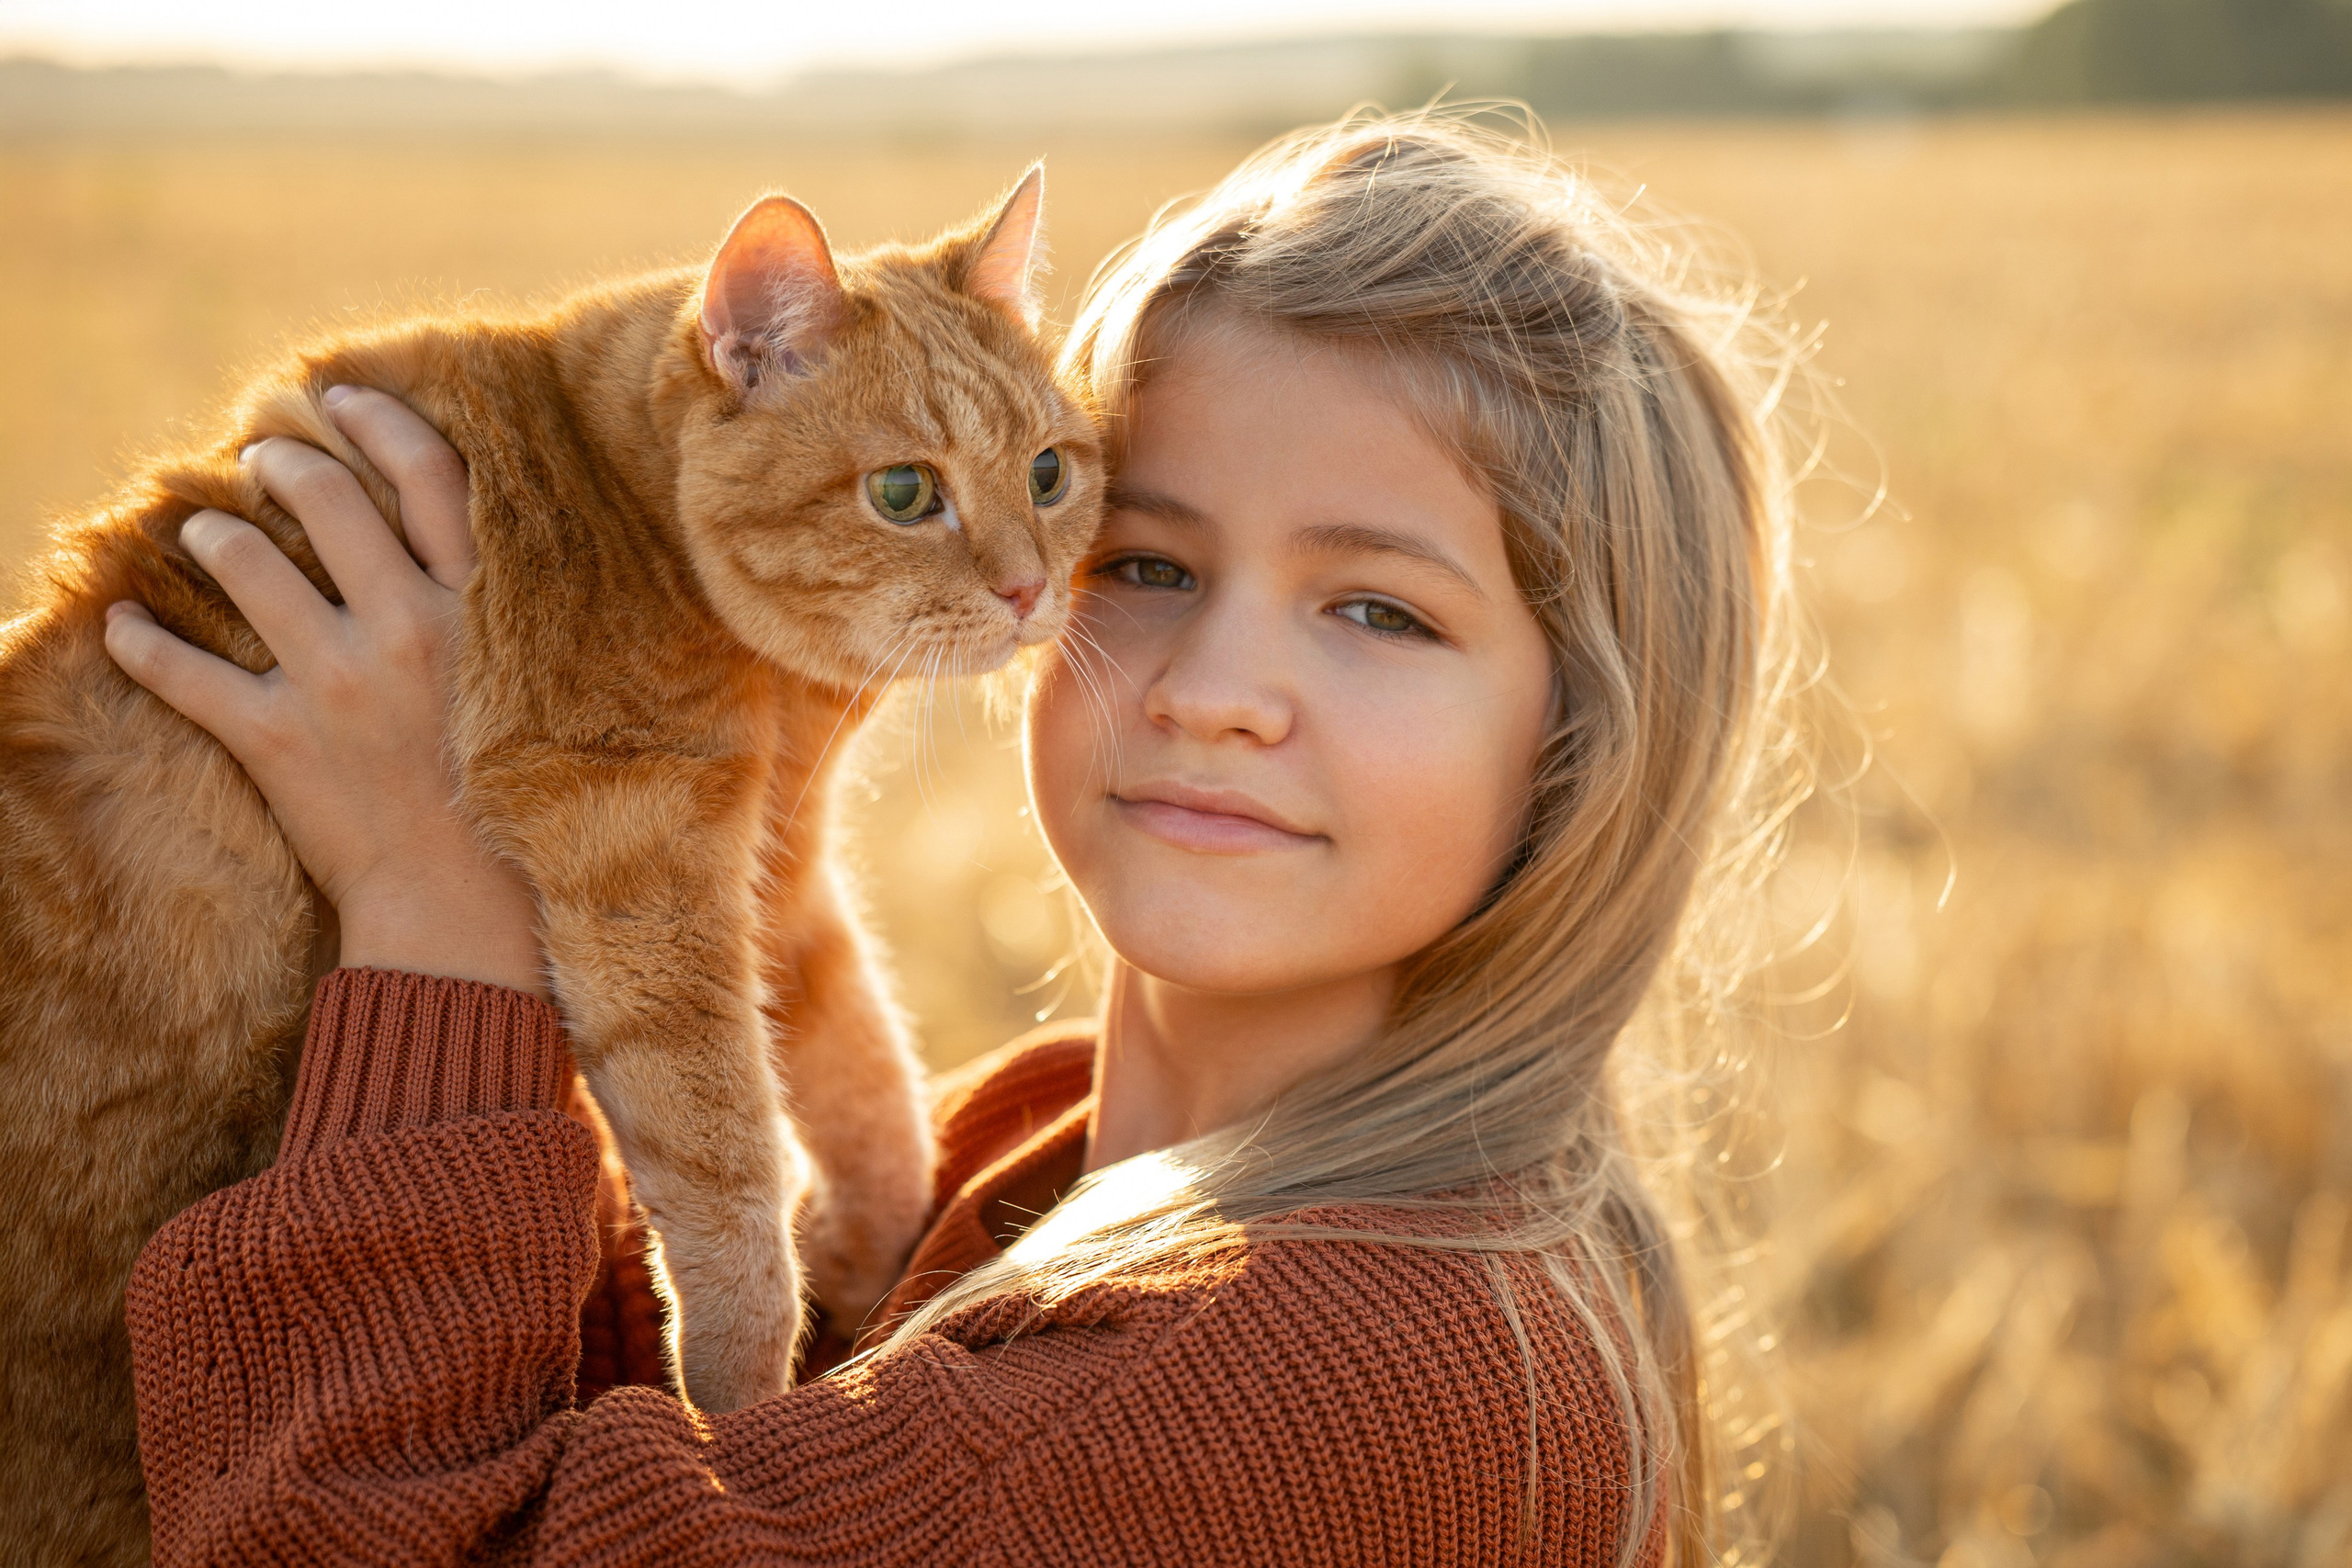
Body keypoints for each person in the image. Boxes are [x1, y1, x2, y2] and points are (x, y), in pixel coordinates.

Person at [105, 113, 1802, 1566]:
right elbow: (674, 1460)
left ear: (1589, 733)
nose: (1213, 692)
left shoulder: (1346, 1379)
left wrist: (432, 902)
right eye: (1146, 563)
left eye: (1377, 610)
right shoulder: (1046, 1138)